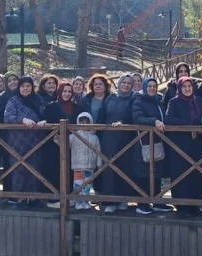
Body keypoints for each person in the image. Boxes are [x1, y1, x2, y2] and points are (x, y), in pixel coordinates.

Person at [166, 76, 202, 216]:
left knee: (196, 174)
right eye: (184, 86)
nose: (187, 89)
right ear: (180, 88)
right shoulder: (174, 101)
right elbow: (169, 119)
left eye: (189, 86)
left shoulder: (198, 100)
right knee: (181, 174)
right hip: (180, 144)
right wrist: (188, 125)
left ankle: (195, 205)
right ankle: (182, 206)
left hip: (196, 143)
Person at [3, 76, 46, 208]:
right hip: (18, 141)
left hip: (35, 140)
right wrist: (22, 120)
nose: (26, 88)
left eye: (28, 86)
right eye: (23, 86)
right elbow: (7, 118)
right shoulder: (13, 100)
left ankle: (33, 198)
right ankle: (21, 199)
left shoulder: (38, 100)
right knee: (19, 170)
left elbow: (44, 114)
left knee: (34, 169)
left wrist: (43, 121)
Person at [98, 74, 139, 212]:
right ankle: (110, 202)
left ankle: (123, 199)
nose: (126, 85)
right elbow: (102, 114)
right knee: (109, 169)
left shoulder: (134, 98)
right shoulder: (111, 97)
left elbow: (133, 115)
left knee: (124, 168)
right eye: (124, 82)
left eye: (129, 83)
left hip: (125, 137)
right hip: (108, 137)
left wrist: (123, 123)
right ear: (119, 83)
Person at [132, 77, 167, 214]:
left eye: (154, 86)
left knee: (157, 172)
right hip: (143, 143)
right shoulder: (138, 101)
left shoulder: (159, 101)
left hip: (158, 142)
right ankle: (142, 203)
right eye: (149, 86)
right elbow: (138, 118)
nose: (152, 88)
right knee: (143, 173)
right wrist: (154, 121)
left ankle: (157, 201)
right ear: (145, 87)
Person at [70, 112, 102, 210]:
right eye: (82, 122)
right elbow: (65, 142)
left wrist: (99, 163)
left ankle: (85, 200)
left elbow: (98, 151)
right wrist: (58, 139)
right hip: (78, 165)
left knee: (88, 184)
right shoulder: (74, 135)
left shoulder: (94, 137)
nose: (84, 125)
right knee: (78, 184)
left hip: (90, 165)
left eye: (86, 122)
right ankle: (78, 201)